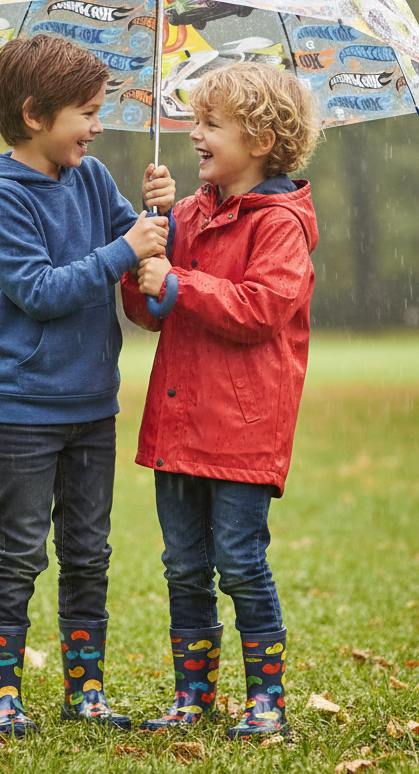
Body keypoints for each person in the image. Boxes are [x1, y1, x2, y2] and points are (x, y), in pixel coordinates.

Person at [0, 35, 175, 737]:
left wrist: (160, 217)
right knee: (20, 550)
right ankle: (2, 695)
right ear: (33, 115)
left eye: (100, 108)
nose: (99, 124)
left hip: (90, 403)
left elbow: (139, 244)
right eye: (86, 111)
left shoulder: (89, 177)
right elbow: (38, 291)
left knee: (89, 551)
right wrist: (125, 248)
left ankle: (86, 691)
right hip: (23, 408)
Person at [121, 61, 319, 740]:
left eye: (210, 124)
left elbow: (260, 310)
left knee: (238, 561)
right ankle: (193, 695)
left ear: (261, 140)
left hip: (242, 428)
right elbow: (151, 312)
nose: (193, 134)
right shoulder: (182, 216)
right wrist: (145, 243)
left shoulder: (280, 225)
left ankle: (268, 700)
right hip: (179, 422)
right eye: (192, 121)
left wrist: (176, 280)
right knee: (183, 567)